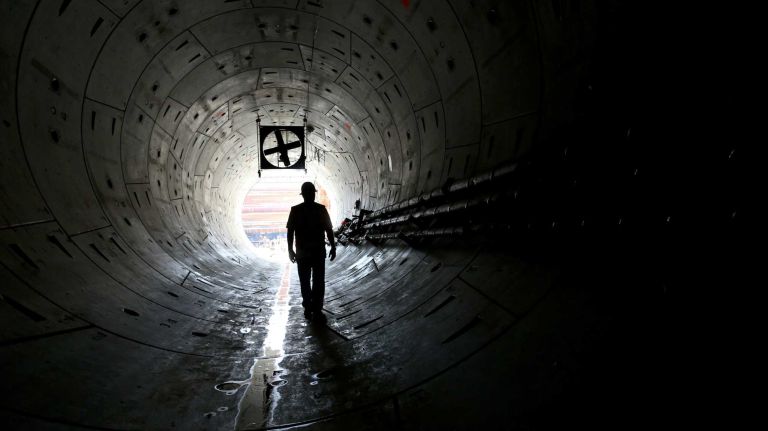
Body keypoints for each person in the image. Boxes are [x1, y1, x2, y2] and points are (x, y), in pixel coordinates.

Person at [286, 182, 336, 322]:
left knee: (305, 281)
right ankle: (316, 308)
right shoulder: (320, 209)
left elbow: (290, 232)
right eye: (311, 193)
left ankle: (309, 307)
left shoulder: (295, 210)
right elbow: (329, 230)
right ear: (312, 194)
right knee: (318, 281)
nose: (311, 195)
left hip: (303, 253)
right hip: (318, 252)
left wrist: (290, 250)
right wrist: (333, 246)